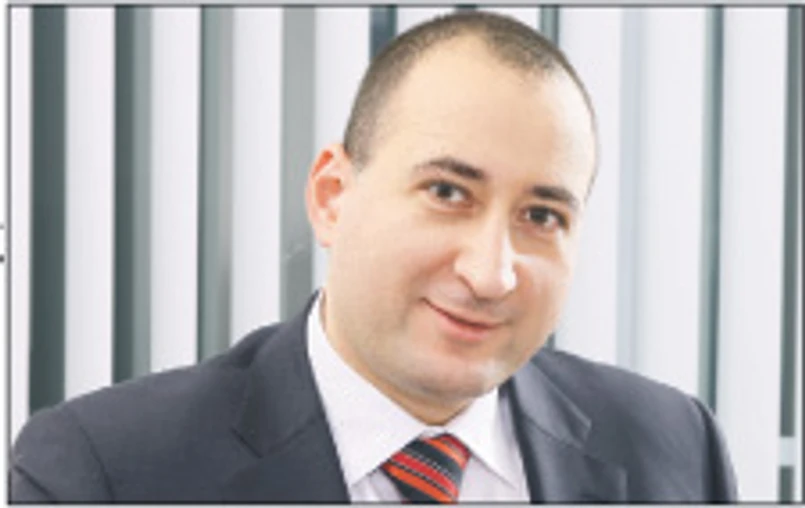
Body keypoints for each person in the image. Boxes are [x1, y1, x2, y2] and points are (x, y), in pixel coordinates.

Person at [10, 11, 737, 503]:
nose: (491, 273)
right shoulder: (107, 472)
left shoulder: (673, 446)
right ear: (332, 197)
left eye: (541, 215)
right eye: (448, 192)